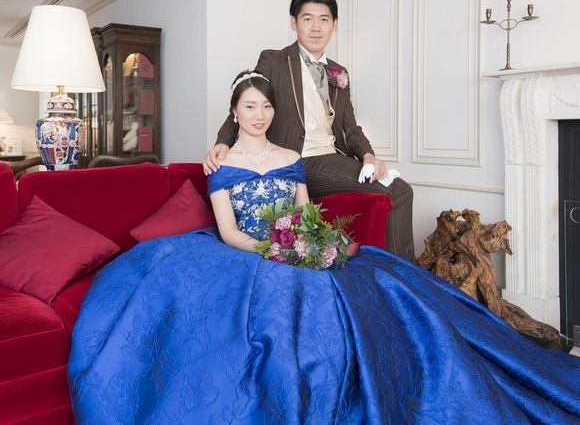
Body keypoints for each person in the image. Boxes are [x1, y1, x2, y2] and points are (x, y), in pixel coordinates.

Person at [69, 71, 580, 424]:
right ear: (234, 112)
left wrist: (310, 241)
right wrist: (275, 251)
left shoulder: (289, 157)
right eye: (250, 106)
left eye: (266, 106)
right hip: (245, 251)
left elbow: (305, 212)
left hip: (298, 241)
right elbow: (228, 233)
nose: (259, 114)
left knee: (382, 281)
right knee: (283, 304)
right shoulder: (220, 164)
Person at [204, 0, 415, 261]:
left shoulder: (339, 72)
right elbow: (248, 99)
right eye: (307, 19)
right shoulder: (274, 60)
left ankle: (395, 273)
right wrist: (222, 143)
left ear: (334, 25)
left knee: (398, 190)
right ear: (294, 23)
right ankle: (402, 276)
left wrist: (368, 156)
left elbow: (350, 128)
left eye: (324, 19)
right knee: (400, 191)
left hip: (332, 157)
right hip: (297, 160)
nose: (316, 27)